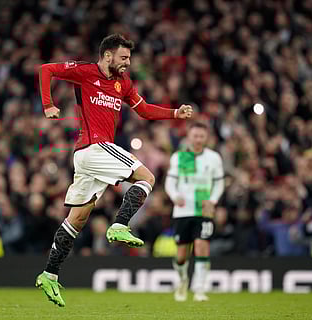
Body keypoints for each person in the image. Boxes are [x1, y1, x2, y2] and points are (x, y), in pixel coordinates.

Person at [35, 33, 193, 307]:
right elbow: (46, 69)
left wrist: (174, 113)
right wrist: (48, 104)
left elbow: (143, 110)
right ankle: (119, 224)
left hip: (89, 157)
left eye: (129, 58)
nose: (127, 63)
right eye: (123, 57)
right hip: (94, 147)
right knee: (147, 177)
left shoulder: (123, 83)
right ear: (107, 55)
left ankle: (49, 273)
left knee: (77, 219)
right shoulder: (85, 72)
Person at [164, 122, 225, 302]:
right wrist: (175, 196)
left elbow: (219, 183)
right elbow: (170, 182)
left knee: (202, 247)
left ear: (206, 138)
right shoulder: (179, 157)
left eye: (201, 136)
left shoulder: (214, 158)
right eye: (195, 136)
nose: (198, 139)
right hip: (183, 210)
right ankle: (183, 280)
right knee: (182, 255)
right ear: (189, 137)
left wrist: (213, 201)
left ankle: (199, 289)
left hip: (204, 210)